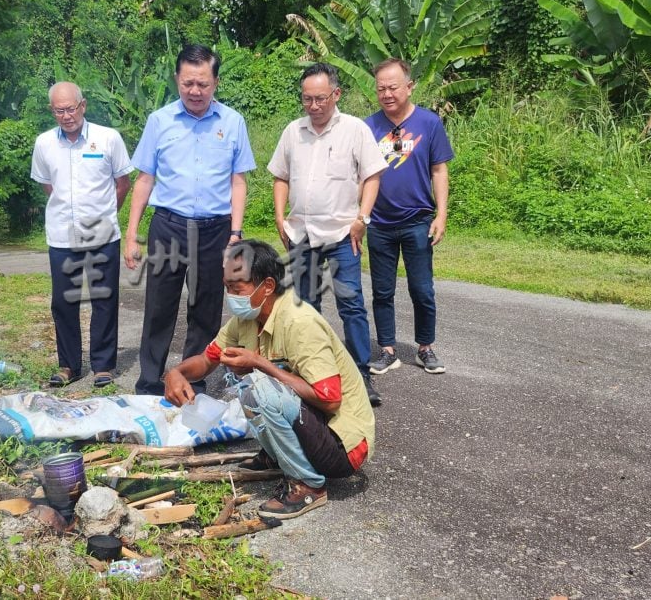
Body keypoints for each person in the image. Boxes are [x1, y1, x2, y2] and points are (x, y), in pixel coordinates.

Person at [163, 239, 375, 520]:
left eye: (237, 289)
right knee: (245, 381)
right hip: (316, 426)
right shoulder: (246, 320)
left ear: (268, 286)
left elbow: (331, 399)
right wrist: (174, 373)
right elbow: (206, 360)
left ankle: (309, 485)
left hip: (343, 447)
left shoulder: (299, 322)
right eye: (228, 288)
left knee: (258, 386)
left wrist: (260, 364)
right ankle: (276, 455)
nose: (231, 296)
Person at [124, 44, 255, 396]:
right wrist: (132, 233)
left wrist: (236, 233)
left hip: (216, 230)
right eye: (187, 84)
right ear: (177, 81)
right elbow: (145, 179)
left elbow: (238, 181)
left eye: (202, 84)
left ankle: (192, 380)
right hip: (169, 225)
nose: (195, 92)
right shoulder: (159, 121)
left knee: (206, 308)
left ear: (215, 82)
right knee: (159, 306)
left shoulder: (232, 122)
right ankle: (150, 382)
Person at [269, 63, 387, 406]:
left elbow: (373, 176)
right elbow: (281, 176)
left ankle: (361, 375)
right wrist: (279, 217)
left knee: (351, 304)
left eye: (321, 98)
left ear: (336, 94)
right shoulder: (293, 131)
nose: (314, 105)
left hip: (342, 233)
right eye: (307, 99)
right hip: (301, 233)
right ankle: (312, 371)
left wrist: (362, 219)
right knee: (305, 304)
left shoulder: (355, 129)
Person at [30, 82, 131, 388]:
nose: (66, 115)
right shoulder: (44, 144)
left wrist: (105, 214)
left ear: (83, 106)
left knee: (103, 298)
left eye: (71, 108)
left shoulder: (108, 138)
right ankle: (69, 365)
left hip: (101, 233)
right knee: (63, 302)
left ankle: (102, 365)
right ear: (53, 111)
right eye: (59, 110)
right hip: (61, 235)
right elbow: (49, 186)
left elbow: (123, 183)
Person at [363, 58, 453, 376]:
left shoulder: (429, 124)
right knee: (382, 291)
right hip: (379, 224)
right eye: (381, 88)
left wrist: (441, 214)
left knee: (422, 289)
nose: (387, 93)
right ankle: (387, 350)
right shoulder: (367, 127)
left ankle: (425, 347)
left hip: (417, 221)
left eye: (393, 87)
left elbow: (439, 170)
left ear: (409, 86)